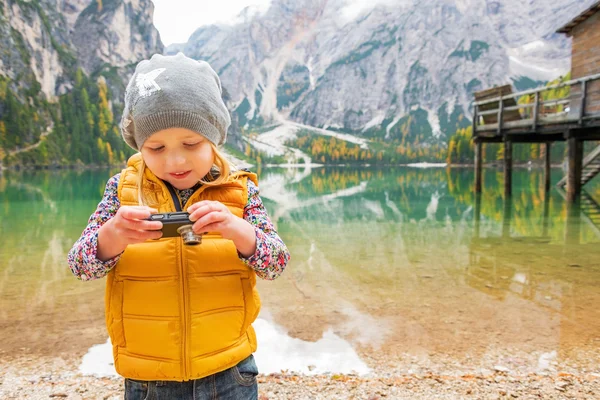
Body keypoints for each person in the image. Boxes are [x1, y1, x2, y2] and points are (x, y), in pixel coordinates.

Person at [67, 53, 290, 400]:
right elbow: (79, 266)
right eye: (155, 148)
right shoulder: (122, 190)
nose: (175, 160)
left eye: (191, 144)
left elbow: (276, 263)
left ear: (213, 137)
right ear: (139, 145)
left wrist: (236, 229)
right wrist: (112, 236)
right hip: (148, 378)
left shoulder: (240, 190)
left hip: (229, 371)